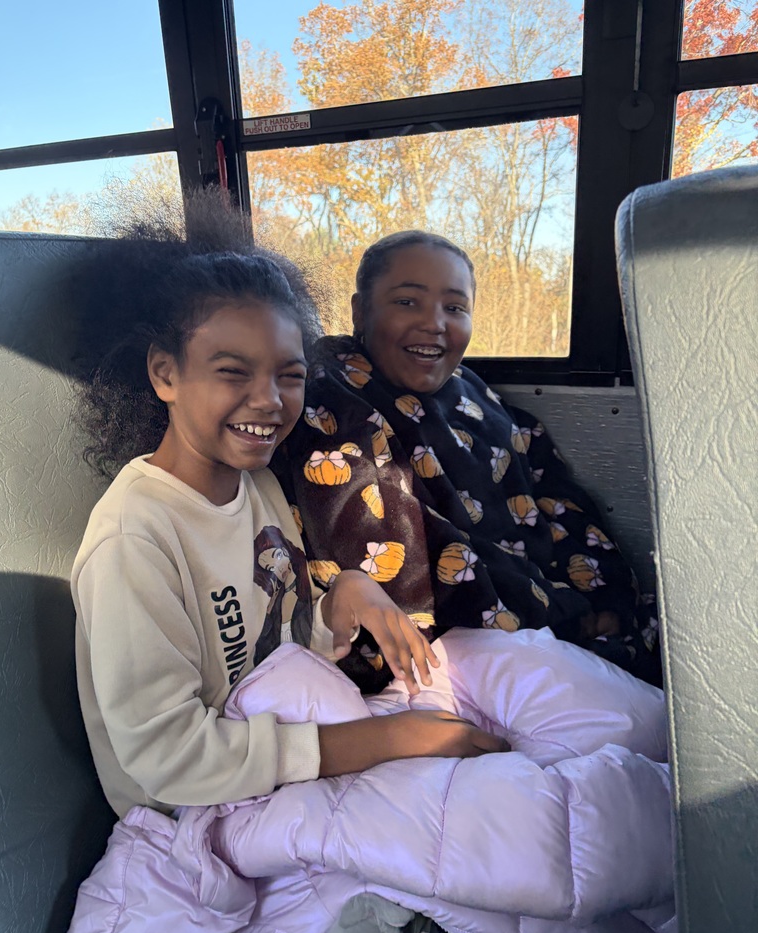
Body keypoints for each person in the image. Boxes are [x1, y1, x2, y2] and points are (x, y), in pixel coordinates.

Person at [70, 215, 506, 821]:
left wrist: (342, 601)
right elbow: (166, 757)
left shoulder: (259, 486)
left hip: (282, 748)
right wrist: (389, 741)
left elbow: (281, 642)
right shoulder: (135, 538)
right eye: (232, 371)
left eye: (290, 375)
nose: (270, 399)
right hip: (197, 810)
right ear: (165, 373)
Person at [277, 230, 661, 692]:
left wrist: (605, 600)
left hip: (545, 604)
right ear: (360, 311)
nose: (435, 323)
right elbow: (396, 556)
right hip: (460, 637)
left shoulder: (473, 392)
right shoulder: (330, 399)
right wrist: (570, 621)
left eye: (455, 308)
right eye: (407, 302)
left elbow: (551, 493)